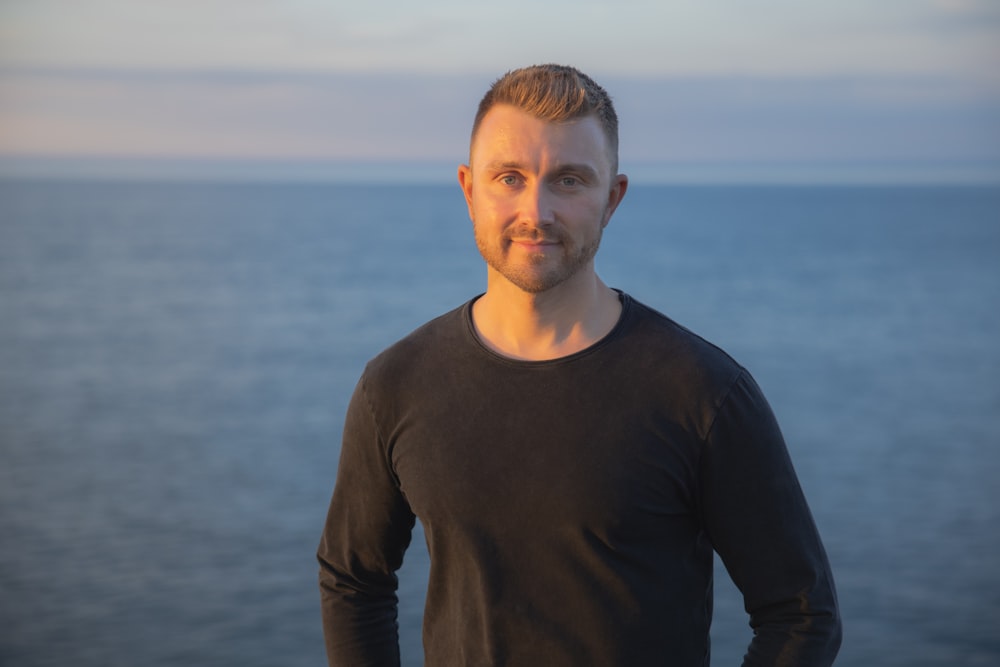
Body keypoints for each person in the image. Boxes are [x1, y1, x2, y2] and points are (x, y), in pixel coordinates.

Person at [317, 64, 842, 666]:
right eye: (508, 177)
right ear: (469, 190)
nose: (535, 211)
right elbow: (354, 581)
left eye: (568, 181)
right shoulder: (396, 385)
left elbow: (802, 613)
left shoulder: (702, 392)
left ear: (612, 198)